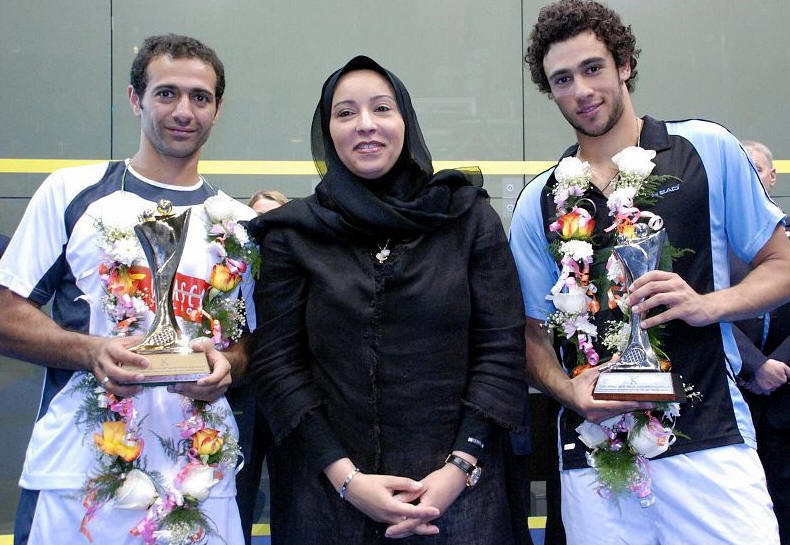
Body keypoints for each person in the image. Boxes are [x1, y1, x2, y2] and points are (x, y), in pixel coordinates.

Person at [510, 1, 790, 544]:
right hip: (595, 459)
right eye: (562, 79)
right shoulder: (539, 199)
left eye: (593, 68)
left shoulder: (705, 149)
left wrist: (708, 306)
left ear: (624, 64)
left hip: (711, 440)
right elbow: (529, 332)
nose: (581, 90)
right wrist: (568, 391)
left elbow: (781, 264)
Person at [245, 55, 528, 544]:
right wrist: (347, 480)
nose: (365, 124)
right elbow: (278, 364)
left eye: (381, 108)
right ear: (327, 130)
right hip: (330, 497)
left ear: (406, 121)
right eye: (345, 112)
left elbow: (500, 348)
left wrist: (458, 469)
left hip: (461, 496)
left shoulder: (466, 218)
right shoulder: (293, 233)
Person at [0, 34, 257, 544]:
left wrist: (230, 364)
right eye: (166, 93)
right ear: (135, 99)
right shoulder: (72, 192)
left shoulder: (239, 224)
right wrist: (91, 350)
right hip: (78, 474)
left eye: (200, 97)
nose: (183, 111)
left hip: (201, 482)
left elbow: (252, 342)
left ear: (217, 109)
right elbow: (6, 313)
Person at [732, 140, 790, 543]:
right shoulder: (717, 239)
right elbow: (703, 306)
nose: (751, 177)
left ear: (773, 176)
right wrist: (756, 365)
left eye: (757, 169)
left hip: (786, 388)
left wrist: (779, 366)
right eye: (743, 170)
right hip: (735, 386)